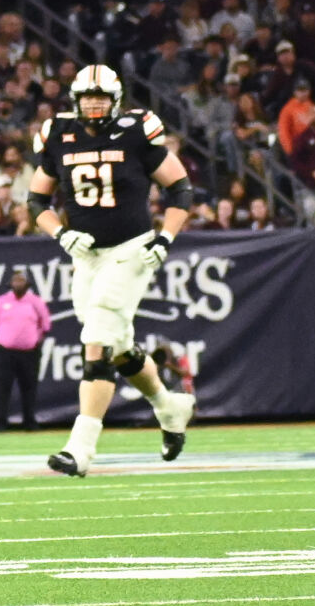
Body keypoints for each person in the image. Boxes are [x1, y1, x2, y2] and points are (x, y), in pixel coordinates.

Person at [28, 64, 197, 476]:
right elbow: (36, 202)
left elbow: (180, 188)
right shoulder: (58, 134)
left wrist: (165, 237)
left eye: (102, 98)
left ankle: (80, 449)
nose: (95, 105)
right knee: (119, 345)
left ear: (116, 100)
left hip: (131, 249)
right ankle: (169, 405)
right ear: (76, 100)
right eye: (88, 98)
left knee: (97, 339)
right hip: (86, 254)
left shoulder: (137, 130)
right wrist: (60, 234)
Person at [0, 270, 52, 431]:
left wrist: (35, 340)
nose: (18, 283)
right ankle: (0, 422)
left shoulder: (35, 302)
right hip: (4, 351)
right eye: (15, 280)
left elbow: (45, 325)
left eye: (21, 280)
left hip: (29, 352)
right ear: (10, 284)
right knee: (2, 387)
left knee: (29, 387)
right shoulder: (1, 301)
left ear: (28, 284)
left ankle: (29, 421)